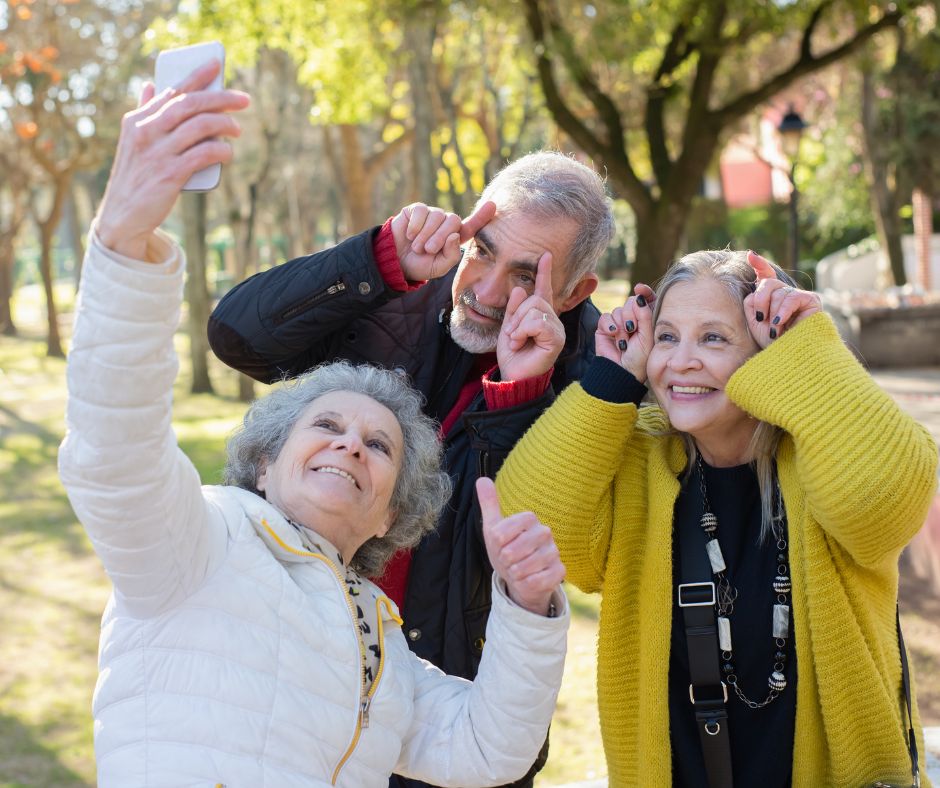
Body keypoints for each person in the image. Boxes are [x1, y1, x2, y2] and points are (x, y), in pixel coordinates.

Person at [58, 60, 570, 788]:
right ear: (265, 462)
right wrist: (122, 239)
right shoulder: (200, 543)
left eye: (379, 445)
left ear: (395, 511)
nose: (350, 444)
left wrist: (528, 607)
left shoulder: (381, 643)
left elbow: (488, 749)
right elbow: (113, 451)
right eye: (325, 424)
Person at [208, 123, 614, 786]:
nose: (483, 290)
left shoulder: (596, 374)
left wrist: (517, 394)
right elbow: (237, 337)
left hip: (445, 714)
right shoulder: (401, 290)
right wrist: (376, 260)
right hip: (299, 673)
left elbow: (524, 544)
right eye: (481, 251)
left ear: (572, 293)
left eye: (523, 277)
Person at [494, 249, 938, 787]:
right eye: (667, 337)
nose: (681, 361)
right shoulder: (640, 458)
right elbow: (530, 526)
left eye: (713, 338)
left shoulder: (822, 454)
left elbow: (884, 502)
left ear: (766, 354)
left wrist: (809, 350)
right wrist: (612, 378)